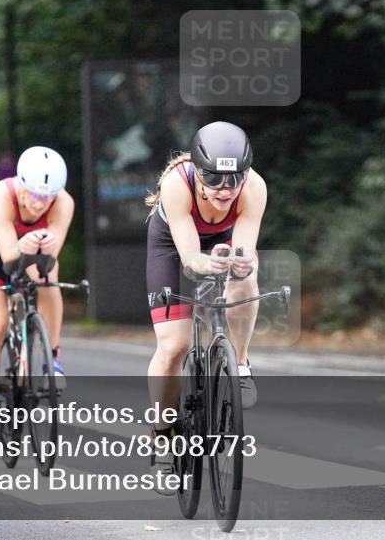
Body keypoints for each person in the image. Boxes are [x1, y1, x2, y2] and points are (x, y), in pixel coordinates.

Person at [144, 121, 266, 491]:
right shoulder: (176, 185)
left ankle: (240, 363)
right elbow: (189, 257)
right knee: (174, 346)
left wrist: (239, 262)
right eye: (213, 179)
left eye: (234, 180)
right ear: (197, 171)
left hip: (224, 240)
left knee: (244, 278)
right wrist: (203, 262)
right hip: (174, 246)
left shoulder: (255, 187)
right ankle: (162, 436)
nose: (225, 190)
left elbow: (244, 247)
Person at [0, 146, 75, 413]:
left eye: (48, 197)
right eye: (35, 194)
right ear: (22, 185)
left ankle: (51, 355)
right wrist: (24, 245)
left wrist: (46, 248)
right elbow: (9, 260)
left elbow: (47, 262)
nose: (40, 203)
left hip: (29, 247)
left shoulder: (64, 203)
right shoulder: (2, 195)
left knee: (49, 278)